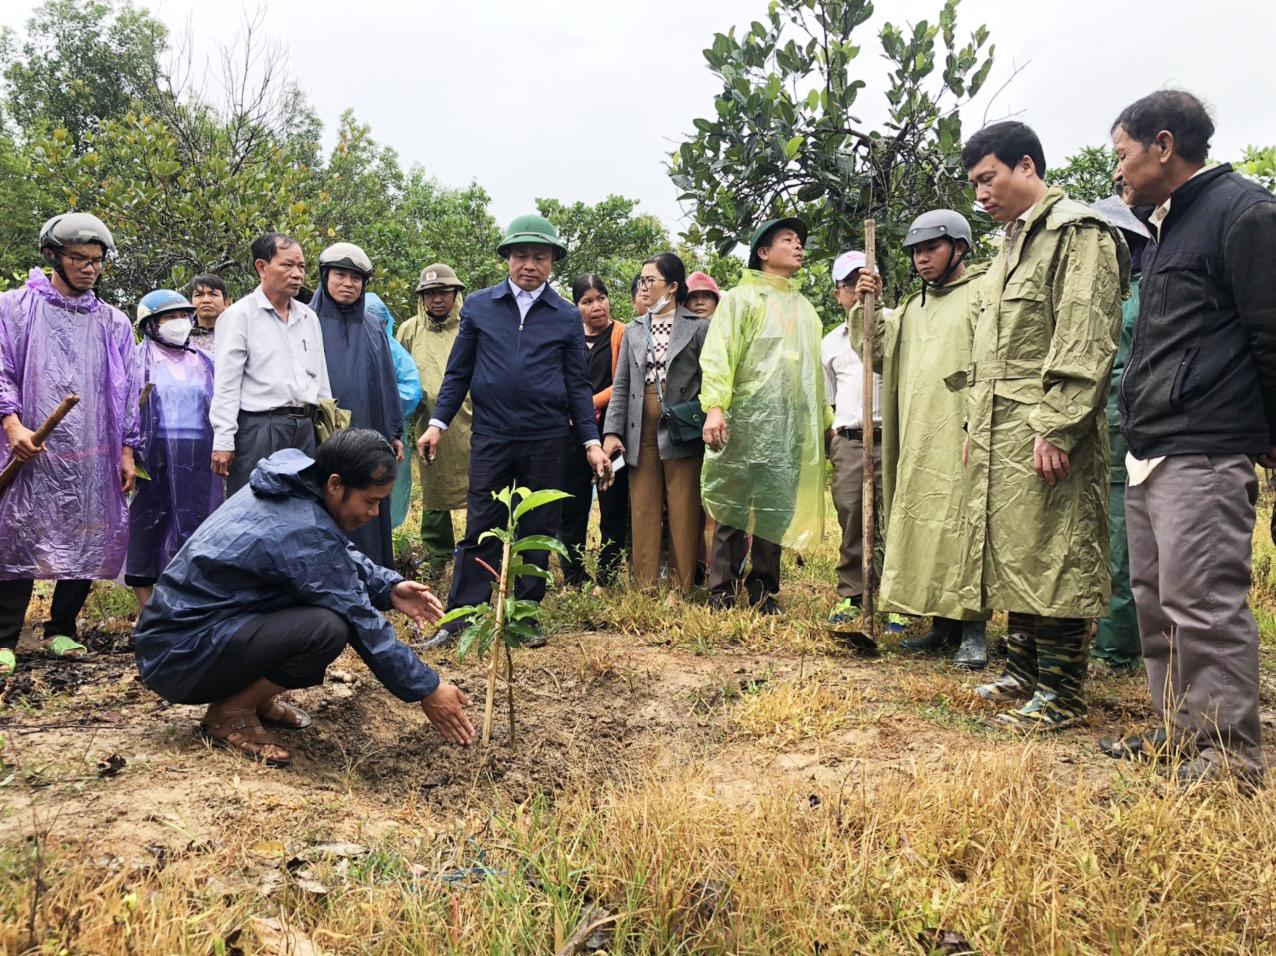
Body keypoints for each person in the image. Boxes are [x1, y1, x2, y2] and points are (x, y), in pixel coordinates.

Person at [1107, 90, 1276, 785]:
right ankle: (1183, 732)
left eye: (1122, 154)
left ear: (1164, 145)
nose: (1117, 171)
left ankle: (1231, 755)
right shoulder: (1164, 228)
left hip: (1207, 441)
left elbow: (1270, 332)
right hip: (1155, 442)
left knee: (1203, 599)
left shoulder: (1245, 212)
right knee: (1157, 598)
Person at [134, 430, 475, 765]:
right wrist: (428, 689)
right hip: (180, 655)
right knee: (327, 627)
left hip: (187, 637)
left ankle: (252, 699)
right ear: (336, 484)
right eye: (370, 501)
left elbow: (332, 554)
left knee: (317, 606)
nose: (374, 513)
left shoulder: (295, 485)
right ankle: (232, 712)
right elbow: (362, 620)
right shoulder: (301, 526)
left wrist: (387, 586)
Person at [953, 121, 1126, 729]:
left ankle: (1064, 691)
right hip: (1002, 425)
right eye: (974, 183)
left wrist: (1058, 425)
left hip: (1048, 424)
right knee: (1017, 549)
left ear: (1026, 166)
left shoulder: (1078, 234)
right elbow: (992, 347)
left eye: (988, 178)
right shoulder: (1010, 244)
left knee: (1056, 552)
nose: (980, 193)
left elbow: (1085, 334)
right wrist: (976, 424)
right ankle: (1024, 670)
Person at [419, 215, 611, 647]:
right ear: (507, 257)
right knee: (481, 525)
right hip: (491, 434)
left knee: (538, 526)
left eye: (539, 256)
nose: (529, 264)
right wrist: (437, 424)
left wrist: (591, 443)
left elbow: (578, 386)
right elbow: (459, 372)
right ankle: (462, 617)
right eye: (521, 255)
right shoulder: (481, 307)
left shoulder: (564, 315)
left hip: (547, 439)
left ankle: (524, 617)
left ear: (552, 262)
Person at [0, 213, 140, 674]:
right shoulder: (14, 309)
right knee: (18, 534)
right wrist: (12, 426)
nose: (89, 268)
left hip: (91, 452)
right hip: (29, 448)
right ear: (51, 256)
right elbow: (2, 370)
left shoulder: (114, 323)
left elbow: (125, 392)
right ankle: (4, 637)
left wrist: (125, 449)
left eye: (97, 261)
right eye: (78, 258)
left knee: (85, 533)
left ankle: (62, 629)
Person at [849, 213, 990, 667]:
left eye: (931, 249)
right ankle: (942, 627)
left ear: (960, 249)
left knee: (964, 527)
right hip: (918, 434)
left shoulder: (983, 295)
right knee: (927, 523)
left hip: (964, 431)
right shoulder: (913, 306)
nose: (921, 259)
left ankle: (974, 631)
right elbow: (877, 352)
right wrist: (866, 304)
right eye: (915, 251)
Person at [700, 217, 829, 614]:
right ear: (763, 252)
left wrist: (820, 423)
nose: (798, 246)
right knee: (731, 505)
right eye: (788, 240)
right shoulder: (741, 299)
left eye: (800, 241)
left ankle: (763, 590)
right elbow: (720, 353)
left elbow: (814, 373)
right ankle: (721, 588)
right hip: (743, 420)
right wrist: (716, 407)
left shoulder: (805, 309)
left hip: (787, 427)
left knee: (775, 508)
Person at [603, 254, 710, 594]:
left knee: (683, 505)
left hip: (681, 425)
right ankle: (645, 585)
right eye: (642, 280)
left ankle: (682, 586)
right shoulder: (635, 329)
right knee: (643, 503)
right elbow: (621, 385)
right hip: (639, 425)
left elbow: (711, 379)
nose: (644, 286)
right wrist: (611, 432)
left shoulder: (698, 326)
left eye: (652, 280)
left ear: (674, 287)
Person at [210, 233, 332, 496]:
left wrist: (328, 430)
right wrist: (223, 441)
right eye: (287, 265)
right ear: (262, 267)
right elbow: (226, 384)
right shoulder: (238, 317)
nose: (297, 274)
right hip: (259, 429)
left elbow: (321, 380)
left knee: (303, 505)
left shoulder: (309, 318)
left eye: (301, 267)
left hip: (305, 429)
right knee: (255, 509)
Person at [126, 290, 224, 609]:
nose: (178, 323)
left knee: (195, 522)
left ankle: (184, 602)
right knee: (146, 525)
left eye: (183, 316)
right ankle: (147, 607)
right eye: (169, 317)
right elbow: (123, 409)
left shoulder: (203, 361)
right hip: (150, 456)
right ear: (151, 324)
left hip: (197, 454)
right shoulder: (136, 360)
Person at [310, 242, 404, 569]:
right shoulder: (305, 320)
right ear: (325, 277)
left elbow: (387, 382)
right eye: (340, 275)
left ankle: (368, 576)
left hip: (368, 426)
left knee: (365, 501)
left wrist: (393, 432)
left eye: (356, 278)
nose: (348, 283)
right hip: (320, 436)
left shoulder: (373, 326)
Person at [1087, 197, 1150, 673]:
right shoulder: (1096, 295)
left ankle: (1116, 645)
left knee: (1120, 537)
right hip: (1090, 425)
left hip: (1123, 427)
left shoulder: (1141, 293)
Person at [822, 250, 884, 627]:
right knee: (850, 515)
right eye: (850, 285)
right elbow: (832, 397)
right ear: (838, 294)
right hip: (848, 440)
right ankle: (852, 594)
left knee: (890, 520)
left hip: (888, 438)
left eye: (866, 281)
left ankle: (892, 601)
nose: (859, 291)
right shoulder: (831, 342)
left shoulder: (893, 325)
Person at [396, 264, 471, 578]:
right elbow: (398, 372)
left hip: (474, 421)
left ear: (456, 294)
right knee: (434, 488)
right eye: (430, 293)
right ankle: (437, 553)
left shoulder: (471, 325)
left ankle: (480, 550)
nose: (437, 299)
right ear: (422, 298)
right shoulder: (410, 330)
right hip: (430, 424)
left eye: (443, 292)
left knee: (480, 488)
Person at [562, 273, 629, 587]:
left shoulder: (623, 335)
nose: (596, 306)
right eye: (587, 301)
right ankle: (574, 576)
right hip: (573, 435)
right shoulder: (569, 337)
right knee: (571, 507)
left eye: (600, 298)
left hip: (612, 434)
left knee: (613, 505)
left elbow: (623, 385)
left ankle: (609, 572)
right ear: (576, 307)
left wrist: (585, 403)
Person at [364, 291, 424, 532]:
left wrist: (379, 400)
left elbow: (412, 392)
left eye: (380, 322)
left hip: (388, 432)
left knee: (384, 490)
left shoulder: (395, 352)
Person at [187, 273, 230, 353]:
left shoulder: (238, 332)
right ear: (190, 303)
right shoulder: (183, 336)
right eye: (199, 295)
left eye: (213, 294)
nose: (206, 300)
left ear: (226, 303)